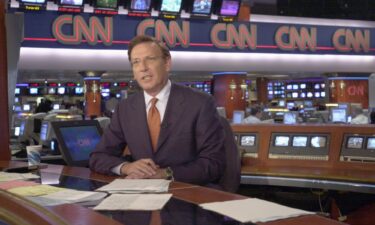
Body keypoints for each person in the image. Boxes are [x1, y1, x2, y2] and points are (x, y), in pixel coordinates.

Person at [89, 35, 225, 187]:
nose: (143, 67)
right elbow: (99, 156)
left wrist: (166, 173)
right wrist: (127, 167)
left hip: (185, 194)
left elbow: (214, 163)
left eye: (150, 59)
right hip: (140, 196)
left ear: (167, 63)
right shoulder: (125, 108)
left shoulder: (200, 103)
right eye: (136, 62)